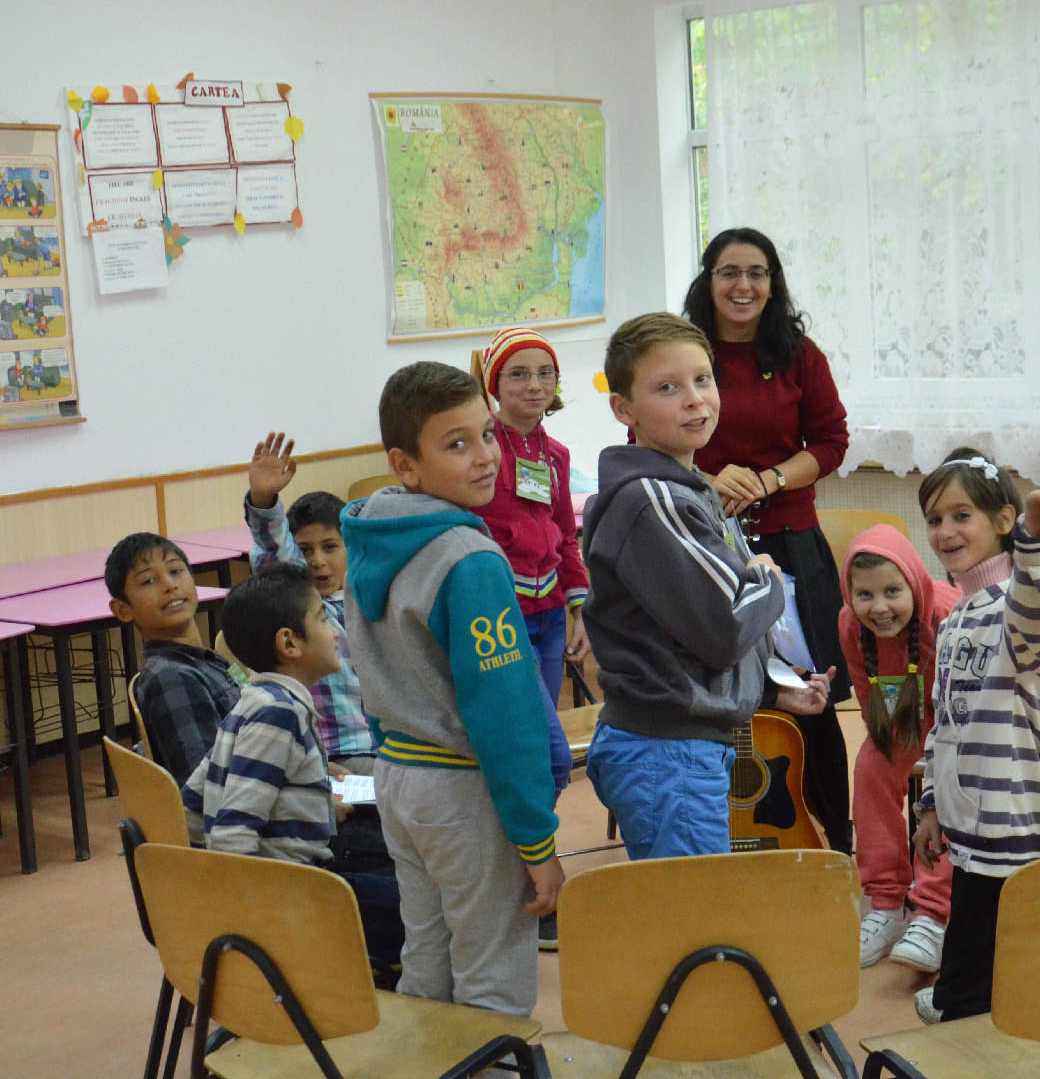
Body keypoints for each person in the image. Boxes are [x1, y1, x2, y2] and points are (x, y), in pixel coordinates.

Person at [341, 360, 561, 1018]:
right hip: (461, 789)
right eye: (456, 444)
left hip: (397, 777)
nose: (484, 457)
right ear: (406, 464)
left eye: (486, 435)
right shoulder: (469, 560)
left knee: (427, 961)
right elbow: (508, 719)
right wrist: (538, 842)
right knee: (493, 974)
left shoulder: (368, 533)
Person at [581, 313, 834, 862]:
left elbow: (677, 635)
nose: (695, 400)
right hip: (668, 754)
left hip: (682, 743)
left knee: (693, 920)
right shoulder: (653, 497)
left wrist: (766, 691)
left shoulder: (684, 488)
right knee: (696, 925)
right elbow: (724, 626)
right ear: (624, 409)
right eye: (667, 387)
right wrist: (766, 574)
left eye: (703, 379)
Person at [682, 227, 855, 853]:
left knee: (813, 689)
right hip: (706, 547)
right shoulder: (684, 353)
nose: (744, 286)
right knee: (718, 689)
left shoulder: (799, 354)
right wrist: (707, 478)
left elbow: (831, 443)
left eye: (758, 273)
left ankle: (836, 835)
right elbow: (645, 447)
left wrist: (770, 479)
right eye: (730, 272)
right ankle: (725, 833)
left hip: (790, 543)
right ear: (708, 280)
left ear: (773, 283)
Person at [911, 450, 1040, 1025]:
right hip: (968, 813)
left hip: (1009, 814)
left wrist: (1038, 532)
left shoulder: (1013, 606)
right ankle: (962, 997)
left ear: (1003, 522)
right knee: (970, 919)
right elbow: (945, 719)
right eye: (935, 519)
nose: (945, 531)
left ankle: (965, 1013)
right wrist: (932, 805)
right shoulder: (958, 611)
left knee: (985, 939)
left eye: (962, 515)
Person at [184, 564, 404, 973]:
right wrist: (260, 926)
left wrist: (314, 786)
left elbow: (194, 803)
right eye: (323, 619)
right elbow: (231, 833)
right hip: (296, 899)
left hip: (296, 885)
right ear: (289, 643)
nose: (336, 631)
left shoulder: (255, 701)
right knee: (426, 914)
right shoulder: (278, 715)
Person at [470, 328, 586, 783]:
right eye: (518, 375)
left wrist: (582, 608)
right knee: (547, 753)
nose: (534, 385)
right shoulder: (480, 450)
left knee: (539, 750)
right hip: (504, 615)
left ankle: (527, 849)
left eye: (545, 374)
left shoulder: (555, 454)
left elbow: (565, 537)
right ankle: (527, 848)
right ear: (493, 385)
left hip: (552, 616)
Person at [842, 524, 958, 972]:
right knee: (870, 767)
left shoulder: (948, 614)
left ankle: (932, 911)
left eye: (893, 590)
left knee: (947, 779)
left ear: (914, 582)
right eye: (865, 595)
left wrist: (935, 757)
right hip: (905, 724)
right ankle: (887, 904)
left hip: (956, 728)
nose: (880, 607)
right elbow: (871, 705)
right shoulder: (851, 627)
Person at [244, 433, 376, 774]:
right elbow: (274, 547)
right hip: (339, 753)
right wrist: (263, 499)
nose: (317, 561)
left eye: (330, 547)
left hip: (384, 745)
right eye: (306, 550)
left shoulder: (367, 597)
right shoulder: (304, 606)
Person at [104, 532, 237, 781]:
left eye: (175, 571)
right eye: (148, 581)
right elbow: (207, 786)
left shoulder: (208, 660)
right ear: (123, 609)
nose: (169, 585)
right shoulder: (172, 678)